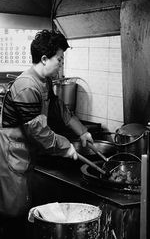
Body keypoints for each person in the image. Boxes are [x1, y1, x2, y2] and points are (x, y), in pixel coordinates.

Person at [0, 29, 93, 238]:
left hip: (24, 153)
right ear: (44, 59)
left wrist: (82, 132)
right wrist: (66, 147)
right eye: (59, 59)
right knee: (13, 212)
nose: (61, 64)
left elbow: (57, 108)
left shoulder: (44, 81)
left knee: (23, 209)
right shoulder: (26, 86)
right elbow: (39, 132)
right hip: (11, 155)